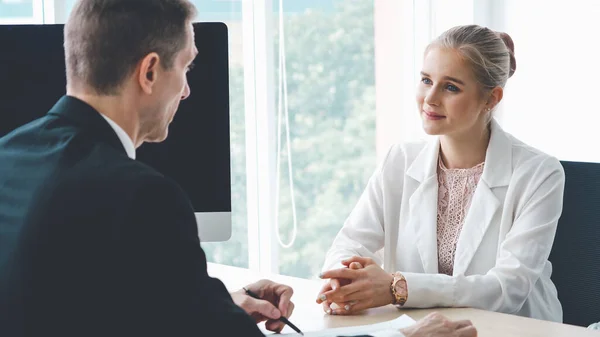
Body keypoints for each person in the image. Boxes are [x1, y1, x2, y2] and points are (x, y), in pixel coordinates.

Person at [0, 1, 476, 337]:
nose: (186, 90)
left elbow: (75, 295)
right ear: (149, 73)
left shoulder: (9, 157)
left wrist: (213, 301)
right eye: (185, 68)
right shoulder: (140, 196)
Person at [317, 24, 564, 323]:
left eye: (451, 87)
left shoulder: (540, 173)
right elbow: (350, 242)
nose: (430, 98)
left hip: (511, 329)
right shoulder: (400, 159)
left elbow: (507, 288)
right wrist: (344, 278)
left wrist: (399, 288)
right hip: (424, 328)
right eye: (426, 80)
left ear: (491, 99)